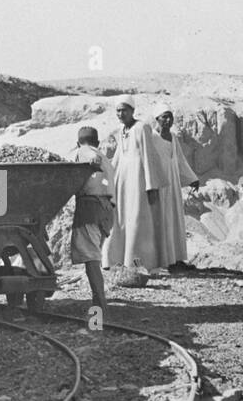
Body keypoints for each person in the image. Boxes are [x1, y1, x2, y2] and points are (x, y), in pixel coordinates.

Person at [103, 96, 169, 273]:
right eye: (118, 110)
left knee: (137, 220)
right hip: (123, 182)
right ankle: (117, 259)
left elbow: (149, 156)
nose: (120, 113)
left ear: (132, 110)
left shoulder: (141, 128)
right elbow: (118, 157)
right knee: (122, 219)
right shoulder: (121, 129)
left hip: (138, 181)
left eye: (124, 110)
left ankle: (138, 262)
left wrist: (151, 185)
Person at [68, 126, 115, 311]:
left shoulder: (83, 151)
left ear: (78, 143)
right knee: (95, 255)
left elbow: (89, 158)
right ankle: (100, 301)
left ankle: (99, 304)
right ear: (97, 142)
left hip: (89, 208)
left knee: (91, 259)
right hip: (107, 210)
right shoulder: (106, 158)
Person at [153, 106, 200, 269]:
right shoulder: (151, 138)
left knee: (173, 218)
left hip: (172, 185)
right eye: (164, 117)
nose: (168, 121)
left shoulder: (173, 137)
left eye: (170, 117)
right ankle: (160, 260)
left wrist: (192, 178)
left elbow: (180, 160)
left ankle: (175, 258)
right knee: (159, 220)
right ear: (157, 118)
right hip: (157, 184)